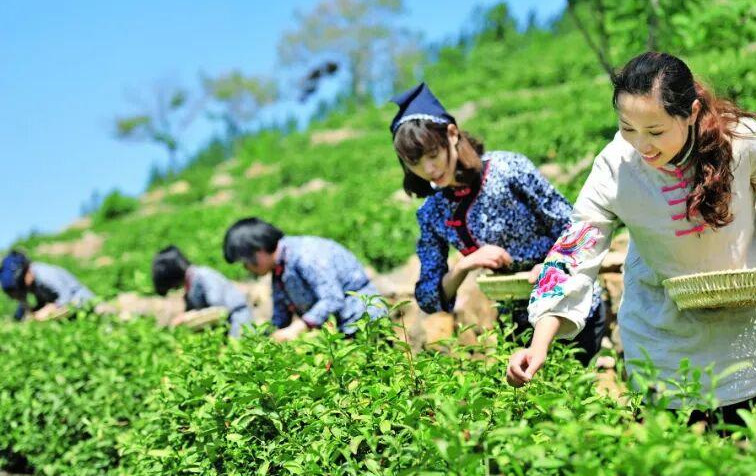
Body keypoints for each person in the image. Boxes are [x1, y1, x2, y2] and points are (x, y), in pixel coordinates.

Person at [507, 52, 756, 427]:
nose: (641, 145)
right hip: (662, 328)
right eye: (627, 128)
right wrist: (539, 342)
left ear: (691, 112)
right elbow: (576, 250)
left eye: (656, 131)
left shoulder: (742, 141)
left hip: (742, 320)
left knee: (738, 440)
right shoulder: (615, 167)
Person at [390, 83, 607, 364]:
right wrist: (465, 265)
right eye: (415, 163)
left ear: (452, 134)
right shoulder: (432, 212)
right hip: (517, 323)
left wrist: (550, 266)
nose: (428, 170)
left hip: (571, 308)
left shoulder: (507, 170)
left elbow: (576, 230)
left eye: (433, 156)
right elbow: (430, 298)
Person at [222, 218, 386, 341]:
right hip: (340, 331)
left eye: (245, 262)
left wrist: (297, 328)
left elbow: (332, 298)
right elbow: (281, 316)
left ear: (259, 250)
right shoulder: (279, 269)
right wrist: (265, 339)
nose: (246, 268)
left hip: (363, 322)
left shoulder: (306, 255)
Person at [151, 245, 254, 337]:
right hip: (225, 327)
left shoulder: (203, 276)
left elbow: (219, 309)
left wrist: (187, 317)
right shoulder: (189, 284)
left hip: (238, 322)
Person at [0, 250, 95, 321]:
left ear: (27, 269)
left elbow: (66, 297)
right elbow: (24, 306)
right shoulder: (30, 283)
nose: (24, 287)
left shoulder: (45, 273)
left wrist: (49, 310)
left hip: (83, 302)